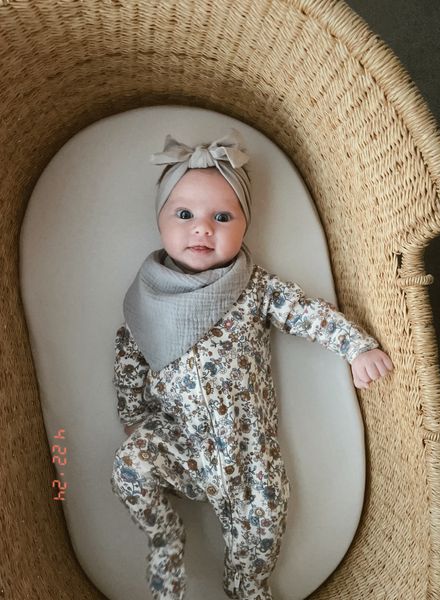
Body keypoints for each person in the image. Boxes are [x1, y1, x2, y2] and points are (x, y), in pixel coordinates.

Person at [110, 128, 393, 600]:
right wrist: (134, 418)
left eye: (222, 216)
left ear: (245, 227)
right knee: (128, 467)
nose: (202, 228)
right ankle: (164, 540)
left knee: (263, 526)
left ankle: (245, 585)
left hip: (248, 452)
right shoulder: (148, 297)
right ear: (159, 221)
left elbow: (307, 312)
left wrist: (354, 346)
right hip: (178, 440)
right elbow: (128, 356)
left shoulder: (253, 287)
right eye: (184, 215)